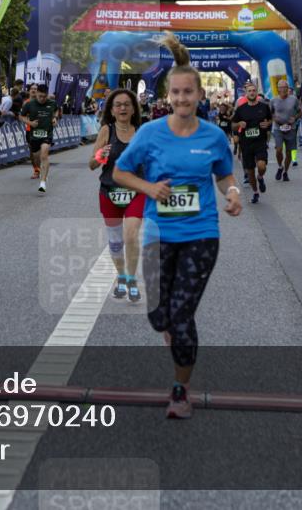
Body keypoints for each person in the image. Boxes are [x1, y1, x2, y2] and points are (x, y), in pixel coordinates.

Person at [113, 32, 243, 419]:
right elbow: (120, 172)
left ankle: (180, 389)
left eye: (189, 92)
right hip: (157, 234)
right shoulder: (150, 133)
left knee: (182, 317)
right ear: (168, 95)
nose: (183, 98)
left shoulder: (214, 135)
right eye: (177, 93)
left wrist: (232, 192)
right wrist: (150, 187)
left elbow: (224, 174)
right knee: (159, 318)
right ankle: (169, 326)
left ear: (200, 96)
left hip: (202, 234)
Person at [89, 88, 146, 302]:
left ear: (133, 109)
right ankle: (121, 276)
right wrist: (100, 156)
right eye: (118, 105)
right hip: (109, 191)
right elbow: (91, 165)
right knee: (115, 241)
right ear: (112, 111)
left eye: (127, 104)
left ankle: (131, 279)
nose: (122, 108)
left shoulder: (142, 131)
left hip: (135, 191)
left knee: (130, 234)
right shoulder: (106, 130)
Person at [233, 82, 272, 202]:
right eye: (249, 91)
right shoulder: (240, 109)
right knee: (250, 171)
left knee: (261, 165)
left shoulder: (264, 106)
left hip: (260, 141)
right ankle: (255, 192)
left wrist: (268, 124)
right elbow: (233, 125)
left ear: (257, 92)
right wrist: (239, 124)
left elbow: (270, 120)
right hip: (246, 144)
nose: (252, 93)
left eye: (254, 90)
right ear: (246, 93)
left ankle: (260, 177)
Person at [20, 83, 58, 194]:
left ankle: (42, 182)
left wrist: (54, 118)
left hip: (47, 133)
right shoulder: (29, 104)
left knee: (44, 154)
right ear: (36, 94)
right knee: (36, 157)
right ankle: (41, 171)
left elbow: (56, 110)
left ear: (47, 94)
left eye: (44, 96)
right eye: (40, 96)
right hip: (34, 135)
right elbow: (21, 116)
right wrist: (30, 123)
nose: (42, 99)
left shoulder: (52, 103)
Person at [270, 80, 300, 183]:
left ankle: (285, 172)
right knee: (278, 149)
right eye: (281, 87)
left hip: (291, 128)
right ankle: (280, 166)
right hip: (278, 128)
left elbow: (300, 111)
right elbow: (270, 113)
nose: (283, 89)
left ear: (288, 88)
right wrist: (275, 119)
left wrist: (295, 118)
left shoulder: (294, 99)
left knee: (288, 152)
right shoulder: (273, 100)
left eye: (285, 87)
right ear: (277, 88)